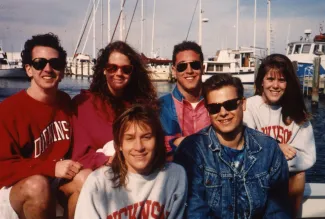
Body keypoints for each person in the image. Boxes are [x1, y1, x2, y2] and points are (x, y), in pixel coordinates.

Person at [174, 73, 291, 218]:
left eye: (230, 105)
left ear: (243, 103)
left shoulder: (269, 149)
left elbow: (278, 211)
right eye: (215, 108)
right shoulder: (192, 150)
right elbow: (195, 212)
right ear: (207, 110)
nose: (223, 113)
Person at [0, 33, 86, 219]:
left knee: (85, 179)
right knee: (38, 186)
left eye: (55, 64)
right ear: (29, 69)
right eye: (40, 63)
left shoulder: (65, 102)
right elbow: (2, 168)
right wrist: (50, 167)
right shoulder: (8, 111)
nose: (47, 69)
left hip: (54, 181)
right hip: (17, 188)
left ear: (62, 71)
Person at [75, 105, 187, 218]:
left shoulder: (175, 175)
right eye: (130, 138)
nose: (139, 147)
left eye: (146, 137)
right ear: (119, 145)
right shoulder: (98, 182)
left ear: (157, 141)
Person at [243, 54, 316, 218]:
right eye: (270, 79)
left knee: (299, 176)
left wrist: (271, 158)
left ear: (288, 83)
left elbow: (308, 157)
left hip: (284, 181)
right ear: (261, 81)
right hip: (255, 178)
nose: (275, 85)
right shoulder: (250, 107)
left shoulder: (297, 113)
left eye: (281, 80)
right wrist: (276, 147)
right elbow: (247, 146)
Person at [71, 41, 158, 169]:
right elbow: (79, 155)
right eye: (112, 68)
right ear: (104, 70)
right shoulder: (83, 104)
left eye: (126, 69)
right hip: (98, 173)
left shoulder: (141, 105)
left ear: (132, 73)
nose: (119, 73)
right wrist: (108, 160)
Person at [159, 41, 210, 156]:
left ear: (203, 68)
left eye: (195, 65)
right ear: (173, 71)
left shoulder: (216, 104)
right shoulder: (159, 107)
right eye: (182, 66)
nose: (189, 70)